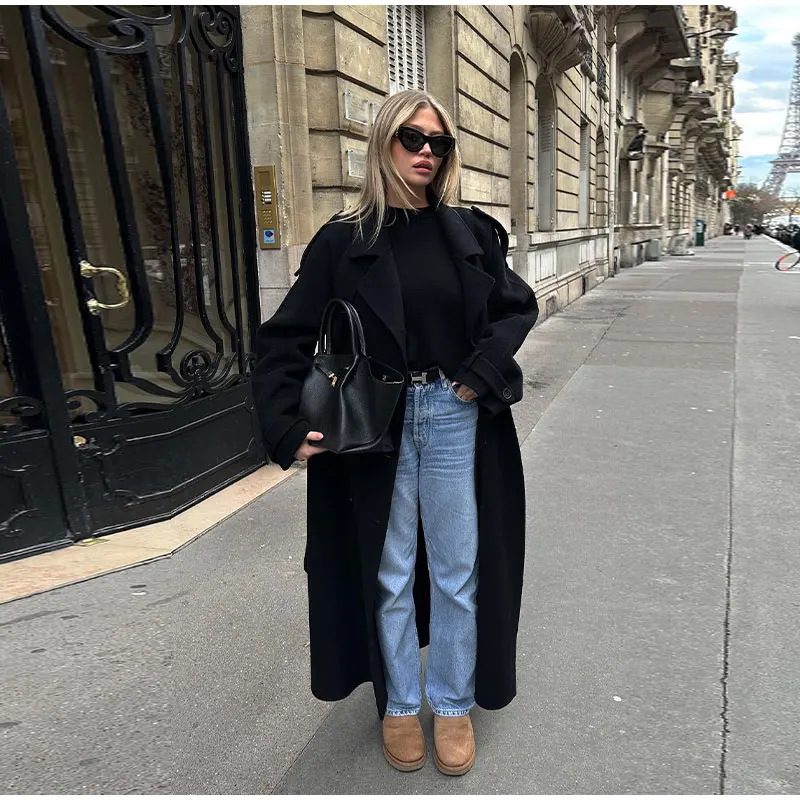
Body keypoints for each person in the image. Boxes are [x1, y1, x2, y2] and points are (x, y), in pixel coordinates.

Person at [251, 89, 538, 776]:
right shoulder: (342, 240)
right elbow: (285, 336)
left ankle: (453, 703)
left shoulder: (471, 231)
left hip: (454, 414)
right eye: (413, 138)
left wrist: (479, 371)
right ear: (384, 142)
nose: (427, 153)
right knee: (389, 572)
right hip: (374, 424)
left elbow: (515, 308)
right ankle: (402, 705)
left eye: (439, 143)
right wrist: (286, 425)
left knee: (459, 571)